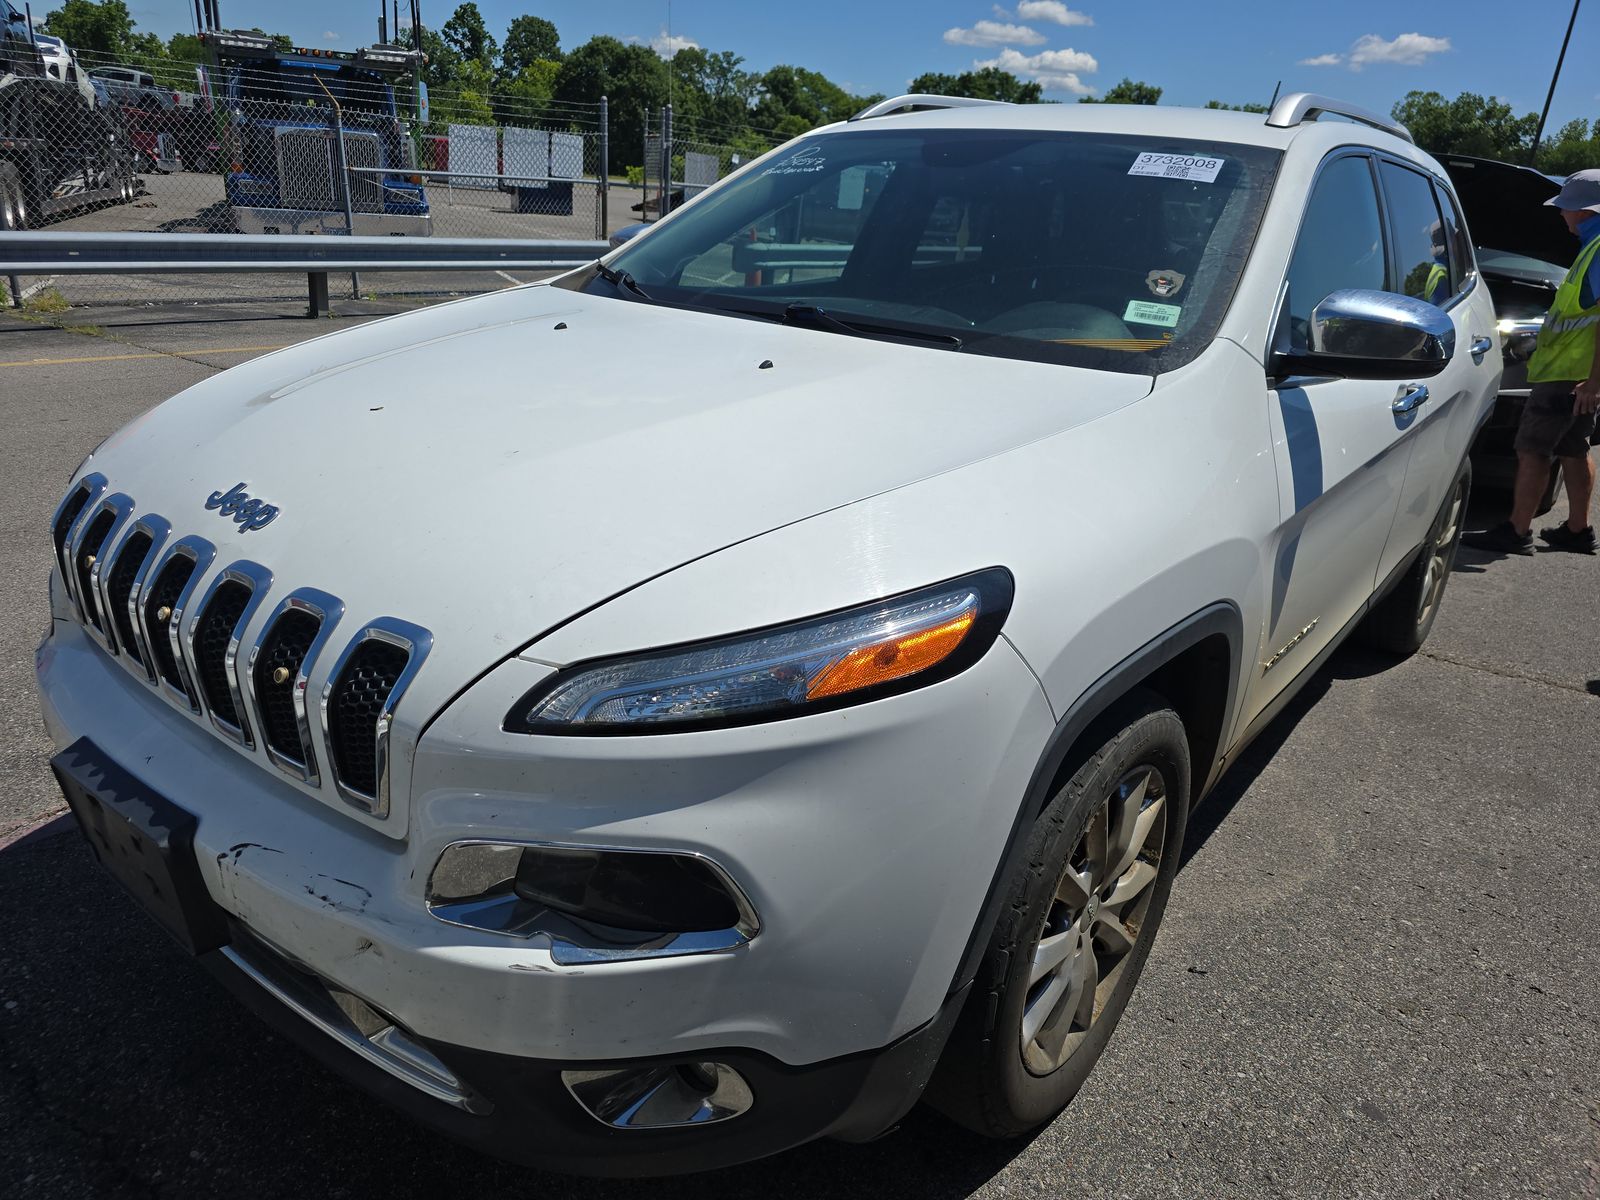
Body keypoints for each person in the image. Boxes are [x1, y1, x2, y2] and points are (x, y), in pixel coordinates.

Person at [1464, 169, 1600, 556]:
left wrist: (1594, 381)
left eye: (1567, 208)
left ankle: (1517, 530)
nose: (1562, 215)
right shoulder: (1591, 247)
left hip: (1568, 377)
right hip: (1576, 376)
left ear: (1587, 212)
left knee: (1532, 449)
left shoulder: (1599, 249)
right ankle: (1577, 530)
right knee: (1574, 448)